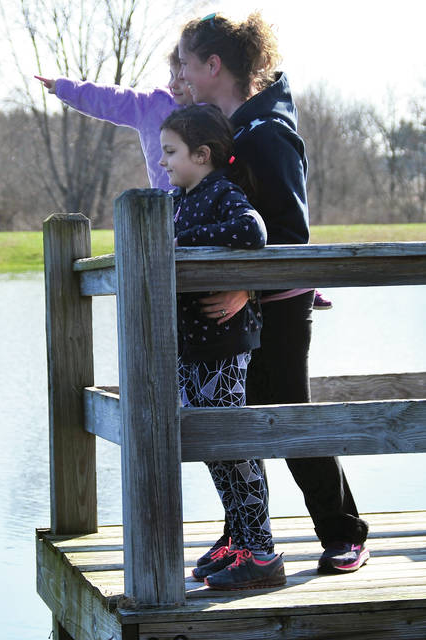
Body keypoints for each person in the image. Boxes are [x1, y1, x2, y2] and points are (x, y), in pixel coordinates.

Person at [178, 11, 370, 574]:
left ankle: (344, 530)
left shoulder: (270, 134)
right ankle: (241, 536)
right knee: (235, 425)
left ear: (214, 65)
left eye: (190, 64)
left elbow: (291, 235)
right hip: (240, 309)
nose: (184, 75)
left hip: (279, 305)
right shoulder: (231, 128)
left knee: (285, 419)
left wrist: (247, 286)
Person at [160, 103, 286, 590]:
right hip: (190, 344)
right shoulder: (176, 200)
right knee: (214, 446)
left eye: (171, 151)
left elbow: (253, 230)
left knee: (234, 445)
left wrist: (181, 241)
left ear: (203, 154)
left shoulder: (220, 193)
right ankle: (238, 537)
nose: (164, 160)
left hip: (224, 341)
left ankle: (261, 553)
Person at [34, 46, 193, 191]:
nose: (173, 84)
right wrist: (65, 88)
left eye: (182, 78)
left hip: (205, 204)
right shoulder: (151, 104)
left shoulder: (214, 110)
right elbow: (110, 99)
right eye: (171, 75)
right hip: (164, 205)